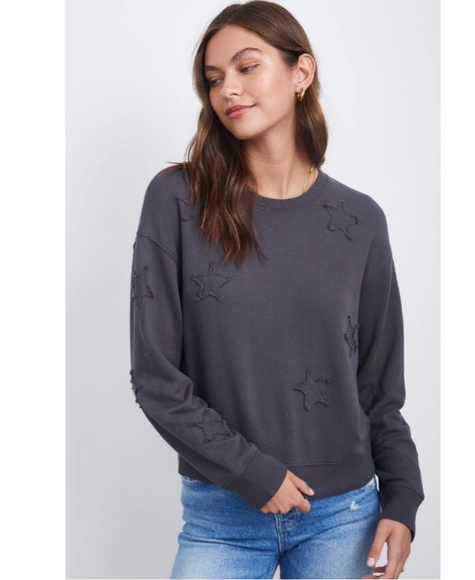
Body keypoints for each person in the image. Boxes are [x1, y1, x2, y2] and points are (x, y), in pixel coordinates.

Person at [129, 1, 424, 578]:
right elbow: (156, 380)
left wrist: (403, 498)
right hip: (222, 514)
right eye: (214, 79)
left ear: (300, 73)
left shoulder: (361, 220)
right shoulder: (177, 201)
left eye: (246, 67)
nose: (228, 90)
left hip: (345, 514)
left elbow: (380, 389)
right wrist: (252, 472)